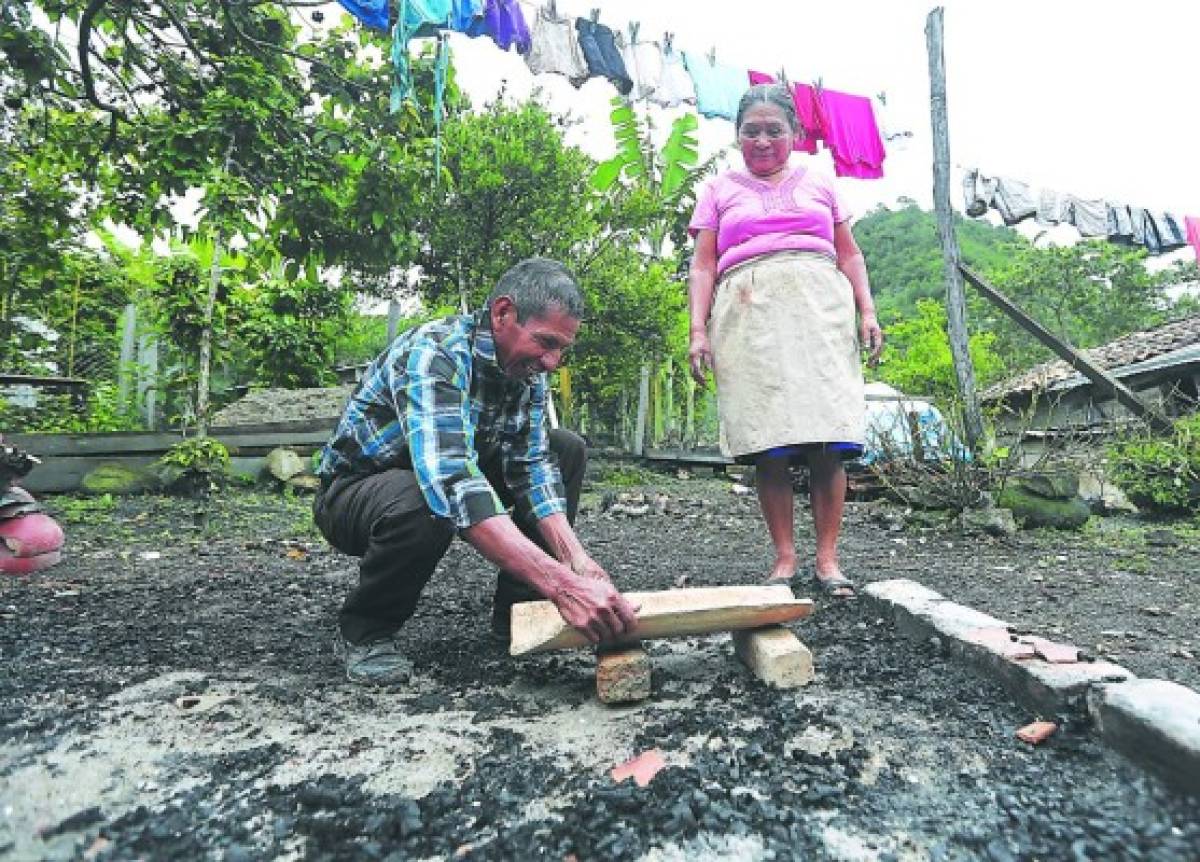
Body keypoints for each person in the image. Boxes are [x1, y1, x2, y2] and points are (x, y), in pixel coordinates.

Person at [314, 258, 639, 684]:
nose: (552, 362)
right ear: (503, 313)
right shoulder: (434, 353)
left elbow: (532, 467)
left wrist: (577, 562)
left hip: (443, 475)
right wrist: (563, 586)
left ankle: (519, 616)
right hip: (357, 493)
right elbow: (451, 482)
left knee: (564, 450)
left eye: (562, 348)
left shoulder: (526, 372)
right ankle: (366, 630)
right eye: (545, 342)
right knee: (423, 500)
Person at [686, 83, 884, 598]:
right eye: (751, 131)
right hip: (748, 314)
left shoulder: (820, 182)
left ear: (795, 134)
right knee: (768, 439)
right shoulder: (718, 190)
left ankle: (828, 559)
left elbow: (851, 254)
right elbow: (703, 265)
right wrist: (697, 331)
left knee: (827, 437)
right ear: (737, 136)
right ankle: (784, 559)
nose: (763, 140)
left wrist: (867, 310)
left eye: (775, 129)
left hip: (820, 312)